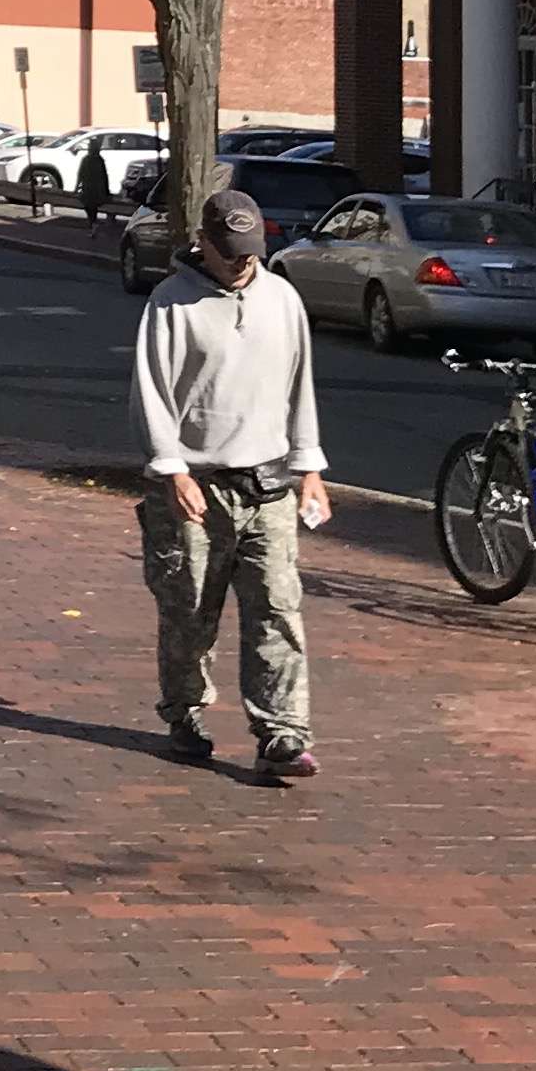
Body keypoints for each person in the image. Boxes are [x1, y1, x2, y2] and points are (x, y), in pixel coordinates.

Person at [132, 186, 333, 782]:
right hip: (195, 483)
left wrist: (311, 468)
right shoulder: (171, 304)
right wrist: (170, 468)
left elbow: (301, 388)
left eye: (250, 250)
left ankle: (282, 733)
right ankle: (184, 713)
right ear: (202, 242)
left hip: (268, 482)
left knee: (277, 608)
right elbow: (152, 392)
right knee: (190, 609)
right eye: (229, 251)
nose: (242, 262)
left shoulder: (282, 299)